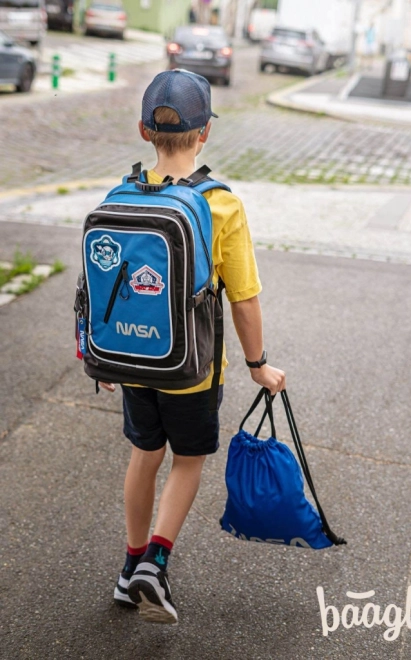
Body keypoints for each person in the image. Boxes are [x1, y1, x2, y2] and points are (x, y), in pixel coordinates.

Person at [102, 69, 286, 624]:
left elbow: (99, 281)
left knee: (144, 454)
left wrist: (101, 348)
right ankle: (154, 565)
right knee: (187, 460)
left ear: (143, 131)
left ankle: (128, 567)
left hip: (134, 358)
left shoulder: (120, 195)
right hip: (193, 369)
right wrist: (258, 365)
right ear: (204, 133)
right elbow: (244, 299)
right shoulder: (220, 205)